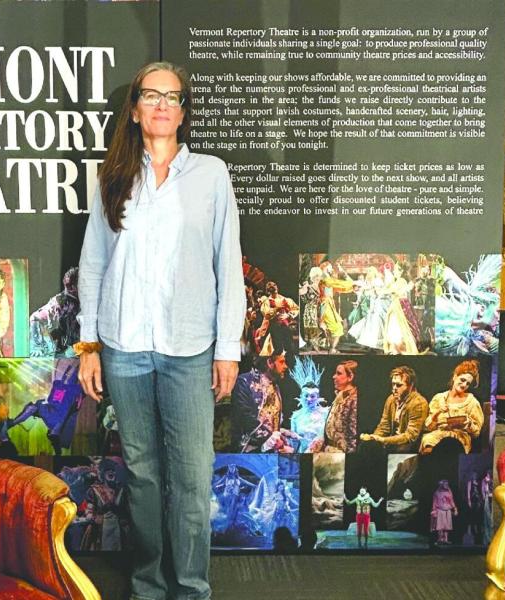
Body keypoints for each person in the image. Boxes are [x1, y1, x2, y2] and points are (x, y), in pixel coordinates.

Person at [76, 61, 245, 600]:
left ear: (183, 110)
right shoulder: (112, 176)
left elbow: (228, 265)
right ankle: (149, 584)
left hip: (190, 348)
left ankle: (192, 587)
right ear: (134, 109)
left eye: (173, 97)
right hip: (124, 347)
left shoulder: (212, 175)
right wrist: (90, 345)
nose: (163, 105)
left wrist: (227, 348)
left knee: (192, 478)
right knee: (144, 476)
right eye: (152, 95)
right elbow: (94, 264)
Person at [230, 352, 298, 453]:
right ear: (270, 362)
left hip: (270, 447)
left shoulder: (275, 386)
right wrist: (270, 437)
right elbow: (245, 417)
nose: (285, 366)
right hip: (248, 449)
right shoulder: (244, 382)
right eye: (282, 362)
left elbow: (270, 419)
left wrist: (279, 432)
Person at [421, 360, 484, 454]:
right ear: (455, 377)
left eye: (468, 383)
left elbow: (476, 433)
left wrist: (468, 424)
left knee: (451, 452)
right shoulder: (439, 398)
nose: (464, 385)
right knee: (428, 447)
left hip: (459, 437)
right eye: (462, 380)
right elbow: (428, 427)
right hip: (438, 434)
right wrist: (438, 411)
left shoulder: (472, 402)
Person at [360, 365, 429, 453]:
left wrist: (383, 440)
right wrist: (373, 438)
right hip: (392, 441)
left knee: (401, 449)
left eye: (399, 385)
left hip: (409, 445)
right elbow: (384, 426)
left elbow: (410, 436)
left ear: (410, 386)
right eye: (393, 384)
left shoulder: (418, 403)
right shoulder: (391, 399)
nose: (394, 388)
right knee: (366, 446)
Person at [313, 359, 359, 453]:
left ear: (350, 377)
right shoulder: (339, 396)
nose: (334, 377)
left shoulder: (353, 400)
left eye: (339, 373)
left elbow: (352, 437)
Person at [431, 479, 458, 544]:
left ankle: (446, 539)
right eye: (445, 484)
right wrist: (434, 510)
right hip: (440, 510)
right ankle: (440, 539)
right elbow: (434, 502)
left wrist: (455, 509)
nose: (446, 485)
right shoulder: (437, 493)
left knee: (447, 526)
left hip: (447, 510)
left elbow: (451, 501)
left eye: (447, 484)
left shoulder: (449, 492)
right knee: (440, 526)